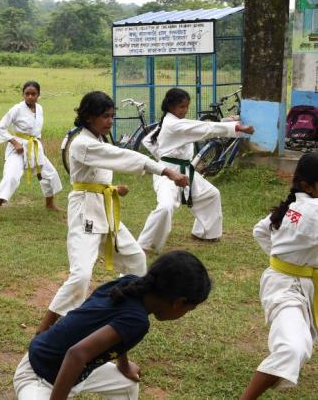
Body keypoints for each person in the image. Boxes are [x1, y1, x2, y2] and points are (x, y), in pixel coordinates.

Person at [35, 91, 190, 335]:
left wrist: (114, 189)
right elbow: (121, 156)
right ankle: (44, 330)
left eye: (112, 116)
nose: (110, 121)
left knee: (136, 259)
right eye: (105, 116)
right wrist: (166, 171)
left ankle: (118, 309)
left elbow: (95, 174)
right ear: (88, 116)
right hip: (85, 211)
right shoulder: (82, 143)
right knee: (81, 275)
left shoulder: (98, 140)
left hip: (105, 208)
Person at [14, 251, 211, 399]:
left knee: (127, 385)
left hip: (74, 370)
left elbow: (114, 335)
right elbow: (76, 354)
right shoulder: (137, 320)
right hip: (39, 374)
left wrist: (123, 365)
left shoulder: (129, 284)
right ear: (179, 302)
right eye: (189, 309)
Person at [137, 88, 254, 253]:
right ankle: (145, 244)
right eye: (181, 107)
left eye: (186, 106)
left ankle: (204, 233)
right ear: (170, 106)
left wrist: (162, 154)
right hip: (168, 174)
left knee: (211, 194)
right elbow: (205, 128)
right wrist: (236, 127)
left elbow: (148, 140)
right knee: (166, 206)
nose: (184, 110)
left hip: (185, 170)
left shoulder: (170, 121)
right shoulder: (173, 124)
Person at [241, 152, 318, 399]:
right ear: (307, 186)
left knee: (298, 345)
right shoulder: (313, 211)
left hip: (286, 279)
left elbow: (260, 230)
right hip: (287, 289)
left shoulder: (292, 207)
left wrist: (282, 260)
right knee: (293, 348)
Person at [0, 81, 62, 223]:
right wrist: (14, 142)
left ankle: (49, 204)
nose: (30, 97)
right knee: (11, 177)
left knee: (50, 174)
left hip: (34, 147)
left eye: (33, 94)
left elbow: (36, 131)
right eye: (27, 94)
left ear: (38, 95)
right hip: (18, 148)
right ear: (23, 94)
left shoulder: (39, 109)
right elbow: (0, 128)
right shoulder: (16, 109)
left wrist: (40, 146)